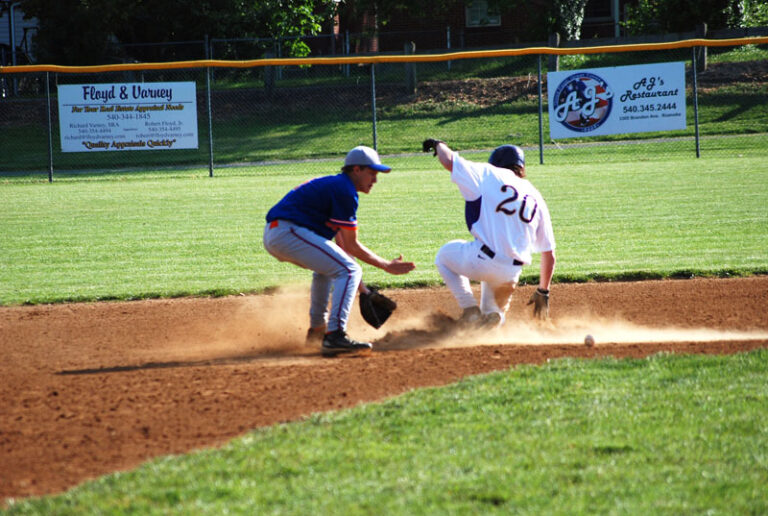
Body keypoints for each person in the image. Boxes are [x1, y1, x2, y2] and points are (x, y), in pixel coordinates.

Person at [263, 145, 416, 356]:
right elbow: (352, 248)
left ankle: (318, 331)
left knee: (331, 269)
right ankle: (335, 335)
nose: (375, 179)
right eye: (372, 173)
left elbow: (344, 249)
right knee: (350, 270)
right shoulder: (344, 191)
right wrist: (386, 265)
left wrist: (364, 291)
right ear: (356, 170)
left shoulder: (339, 186)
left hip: (280, 234)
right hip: (287, 231)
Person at [422, 139, 556, 327]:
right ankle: (495, 317)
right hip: (510, 273)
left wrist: (438, 144)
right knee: (493, 314)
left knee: (443, 257)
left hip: (481, 260)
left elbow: (449, 161)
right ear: (521, 168)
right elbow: (549, 254)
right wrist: (543, 291)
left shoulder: (487, 173)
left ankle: (469, 309)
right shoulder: (535, 195)